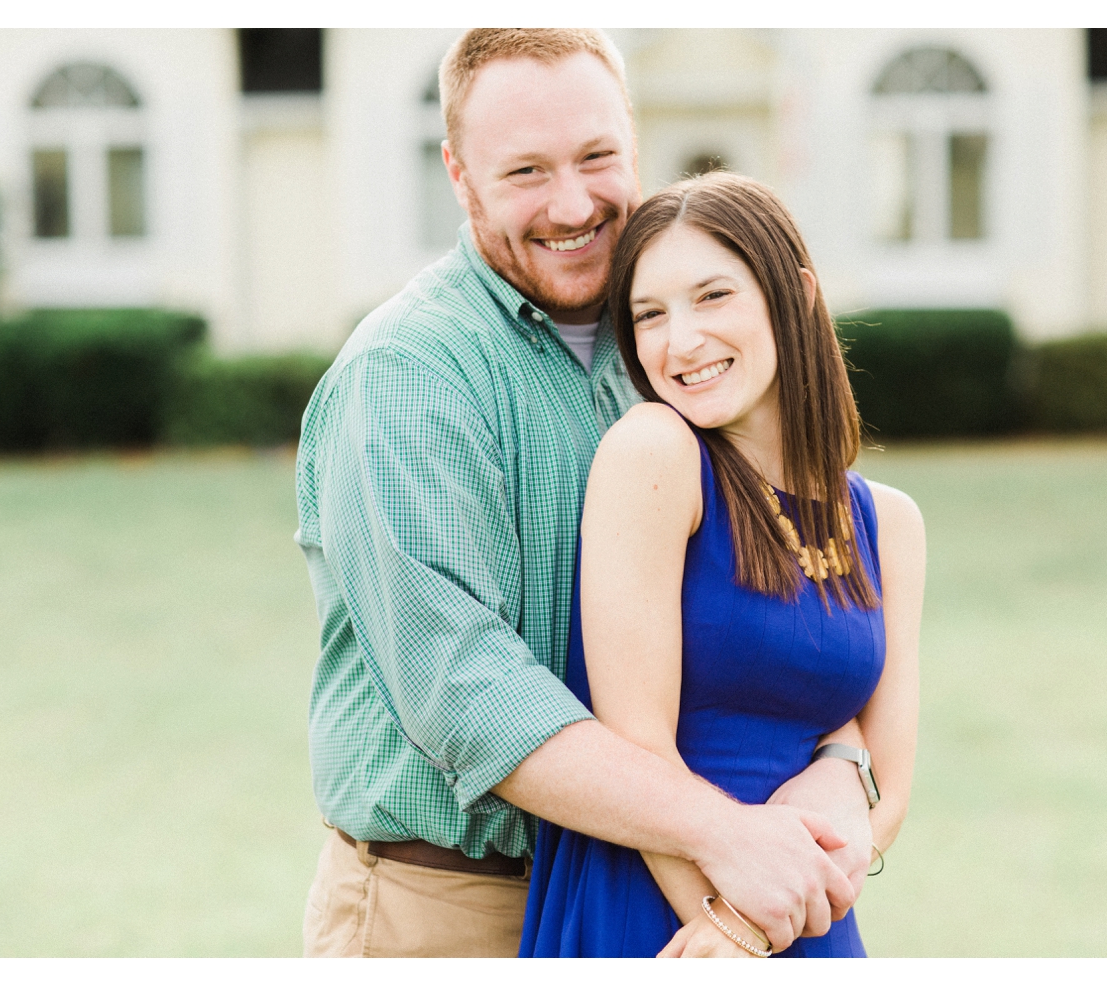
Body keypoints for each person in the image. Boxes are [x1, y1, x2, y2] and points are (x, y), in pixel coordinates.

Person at [295, 29, 874, 958]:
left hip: (644, 884)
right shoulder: (408, 375)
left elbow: (755, 604)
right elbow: (465, 690)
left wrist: (844, 760)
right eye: (525, 170)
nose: (573, 203)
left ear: (633, 143)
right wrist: (722, 836)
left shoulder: (663, 348)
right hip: (449, 903)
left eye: (597, 156)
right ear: (458, 172)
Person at [518, 172, 926, 958]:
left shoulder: (889, 525)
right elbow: (636, 746)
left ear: (795, 295)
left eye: (712, 297)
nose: (681, 342)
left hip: (805, 919)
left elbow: (892, 794)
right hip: (654, 911)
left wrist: (840, 772)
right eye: (649, 314)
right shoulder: (654, 453)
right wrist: (728, 928)